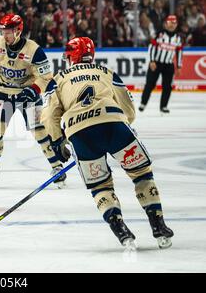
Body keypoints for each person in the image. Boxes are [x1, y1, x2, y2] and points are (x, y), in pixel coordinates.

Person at [41, 37, 174, 249]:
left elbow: (48, 116)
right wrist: (123, 124)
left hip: (80, 133)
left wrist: (58, 141)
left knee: (100, 185)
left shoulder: (57, 79)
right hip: (114, 125)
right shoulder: (106, 72)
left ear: (72, 56)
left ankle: (120, 230)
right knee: (141, 174)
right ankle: (158, 225)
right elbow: (128, 107)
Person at [0, 13, 67, 188]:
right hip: (3, 92)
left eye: (8, 31)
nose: (5, 35)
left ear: (18, 31)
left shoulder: (34, 50)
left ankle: (57, 167)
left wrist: (33, 90)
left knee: (39, 130)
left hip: (27, 94)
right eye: (3, 31)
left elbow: (46, 77)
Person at [139, 15, 183, 115]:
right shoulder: (159, 34)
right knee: (150, 84)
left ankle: (164, 106)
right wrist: (152, 61)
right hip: (156, 63)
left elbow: (179, 52)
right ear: (166, 24)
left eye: (174, 23)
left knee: (167, 86)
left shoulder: (178, 38)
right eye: (170, 23)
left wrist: (179, 66)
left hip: (169, 64)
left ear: (176, 25)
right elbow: (151, 47)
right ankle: (143, 103)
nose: (172, 25)